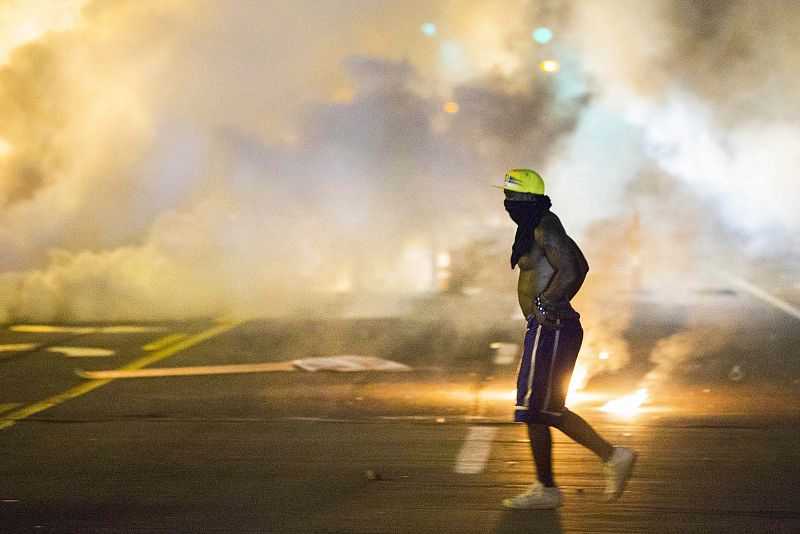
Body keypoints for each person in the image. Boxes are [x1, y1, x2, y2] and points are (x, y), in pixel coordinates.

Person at [496, 168, 637, 509]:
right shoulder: (536, 225)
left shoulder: (545, 224)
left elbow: (574, 269)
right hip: (545, 326)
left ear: (528, 199)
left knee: (533, 409)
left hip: (553, 327)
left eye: (513, 197)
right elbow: (582, 263)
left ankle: (550, 487)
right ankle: (611, 457)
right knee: (544, 410)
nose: (507, 202)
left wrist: (546, 302)